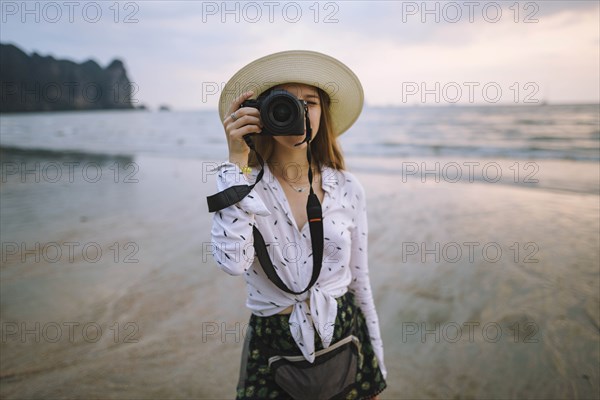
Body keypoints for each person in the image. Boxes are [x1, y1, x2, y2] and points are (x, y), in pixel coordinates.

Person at [210, 50, 387, 399]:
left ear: (323, 113)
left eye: (311, 102)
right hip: (274, 340)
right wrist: (235, 160)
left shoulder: (347, 188)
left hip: (345, 333)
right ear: (261, 113)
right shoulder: (242, 185)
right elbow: (232, 263)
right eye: (285, 103)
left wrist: (377, 367)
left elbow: (361, 283)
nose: (300, 113)